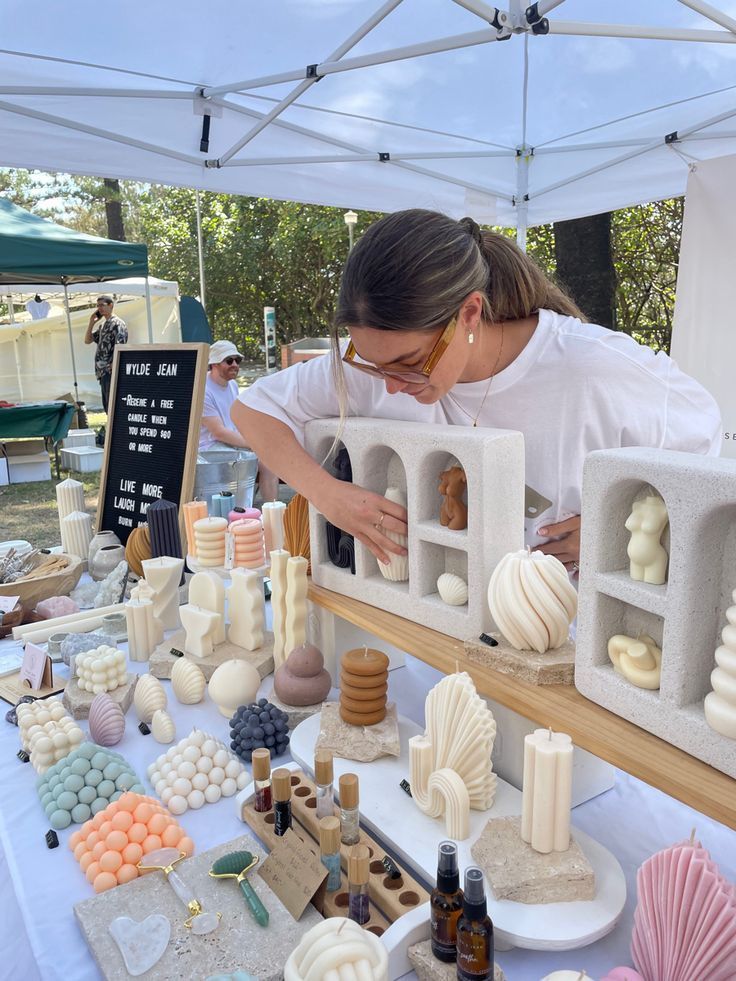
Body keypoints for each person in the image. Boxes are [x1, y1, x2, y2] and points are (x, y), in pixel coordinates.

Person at [231, 209, 721, 571]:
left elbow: (706, 457)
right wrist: (325, 493)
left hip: (569, 639)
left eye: (409, 363)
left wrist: (624, 530)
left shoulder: (591, 368)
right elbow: (253, 408)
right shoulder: (373, 367)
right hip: (442, 620)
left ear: (469, 313)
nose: (394, 386)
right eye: (373, 365)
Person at [201, 340, 279, 502]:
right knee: (262, 459)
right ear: (214, 363)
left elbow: (236, 421)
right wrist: (254, 443)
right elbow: (219, 432)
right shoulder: (204, 391)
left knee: (270, 459)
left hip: (228, 442)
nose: (235, 364)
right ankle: (246, 512)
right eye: (229, 360)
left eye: (238, 360)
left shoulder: (232, 385)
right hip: (209, 449)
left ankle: (273, 511)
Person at [84, 295, 128, 412]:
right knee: (107, 405)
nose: (100, 308)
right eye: (98, 306)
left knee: (113, 405)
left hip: (111, 371)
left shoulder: (117, 324)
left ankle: (114, 429)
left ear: (110, 305)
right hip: (102, 372)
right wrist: (91, 323)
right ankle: (109, 428)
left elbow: (121, 346)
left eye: (102, 305)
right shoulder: (103, 325)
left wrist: (114, 365)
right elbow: (87, 340)